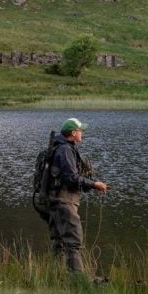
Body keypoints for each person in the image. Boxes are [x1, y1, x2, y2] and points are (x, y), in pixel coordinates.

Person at [46, 117, 108, 273]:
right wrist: (94, 185)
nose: (82, 133)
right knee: (73, 240)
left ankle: (54, 276)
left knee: (59, 241)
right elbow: (71, 179)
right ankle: (78, 280)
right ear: (73, 133)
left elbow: (72, 176)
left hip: (56, 200)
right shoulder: (65, 150)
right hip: (63, 202)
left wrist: (93, 183)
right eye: (81, 131)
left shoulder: (63, 147)